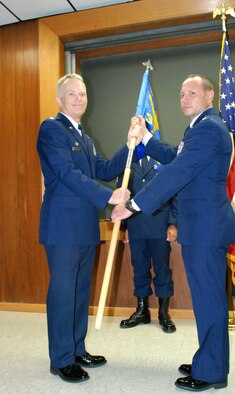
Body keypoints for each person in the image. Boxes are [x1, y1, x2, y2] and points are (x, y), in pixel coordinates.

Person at [111, 74, 235, 392]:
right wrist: (145, 137)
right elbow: (174, 157)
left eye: (192, 92)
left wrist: (135, 205)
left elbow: (177, 173)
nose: (185, 98)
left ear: (210, 95)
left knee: (208, 300)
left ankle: (211, 372)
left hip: (205, 229)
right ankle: (212, 360)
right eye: (182, 93)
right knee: (208, 298)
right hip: (201, 227)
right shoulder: (198, 128)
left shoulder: (209, 129)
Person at [36, 73, 142, 383]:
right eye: (72, 94)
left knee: (80, 292)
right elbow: (67, 174)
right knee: (63, 292)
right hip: (62, 226)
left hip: (84, 227)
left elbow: (106, 169)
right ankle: (61, 359)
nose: (79, 98)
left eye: (82, 94)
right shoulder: (52, 129)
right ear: (59, 99)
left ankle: (77, 348)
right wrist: (109, 196)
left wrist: (128, 144)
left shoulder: (85, 137)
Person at [118, 156, 178, 333]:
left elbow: (175, 194)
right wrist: (124, 226)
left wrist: (173, 223)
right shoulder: (128, 162)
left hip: (159, 224)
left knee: (162, 268)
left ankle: (163, 313)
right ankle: (142, 310)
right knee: (139, 267)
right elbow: (122, 195)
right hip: (135, 224)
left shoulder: (164, 161)